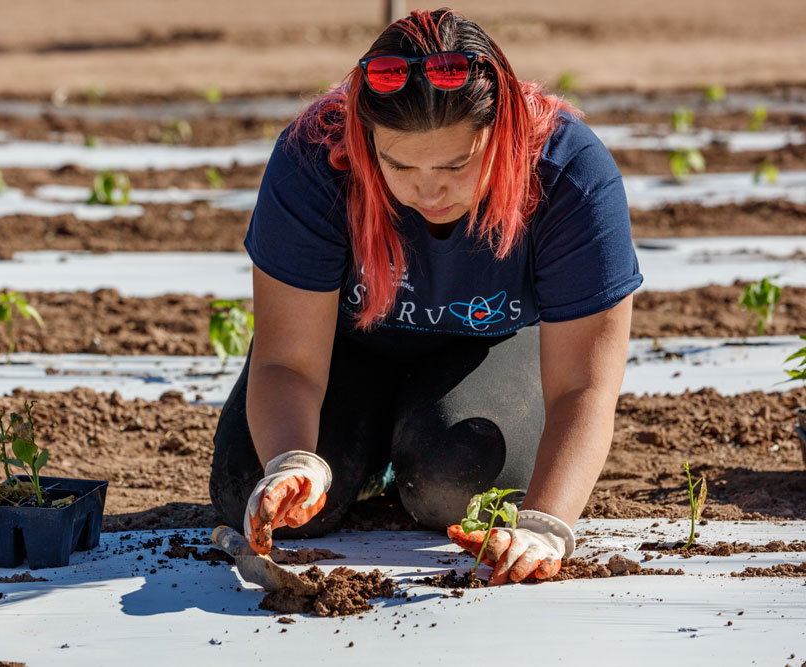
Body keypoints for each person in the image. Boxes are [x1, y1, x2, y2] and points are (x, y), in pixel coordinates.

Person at [209, 7, 642, 586]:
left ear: (503, 129)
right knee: (257, 491)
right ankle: (360, 456)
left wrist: (545, 527)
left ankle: (407, 452)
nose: (428, 189)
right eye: (398, 163)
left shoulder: (570, 173)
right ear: (365, 142)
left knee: (455, 485)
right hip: (343, 350)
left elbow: (584, 385)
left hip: (487, 348)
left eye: (456, 163)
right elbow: (287, 360)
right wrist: (292, 460)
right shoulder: (314, 158)